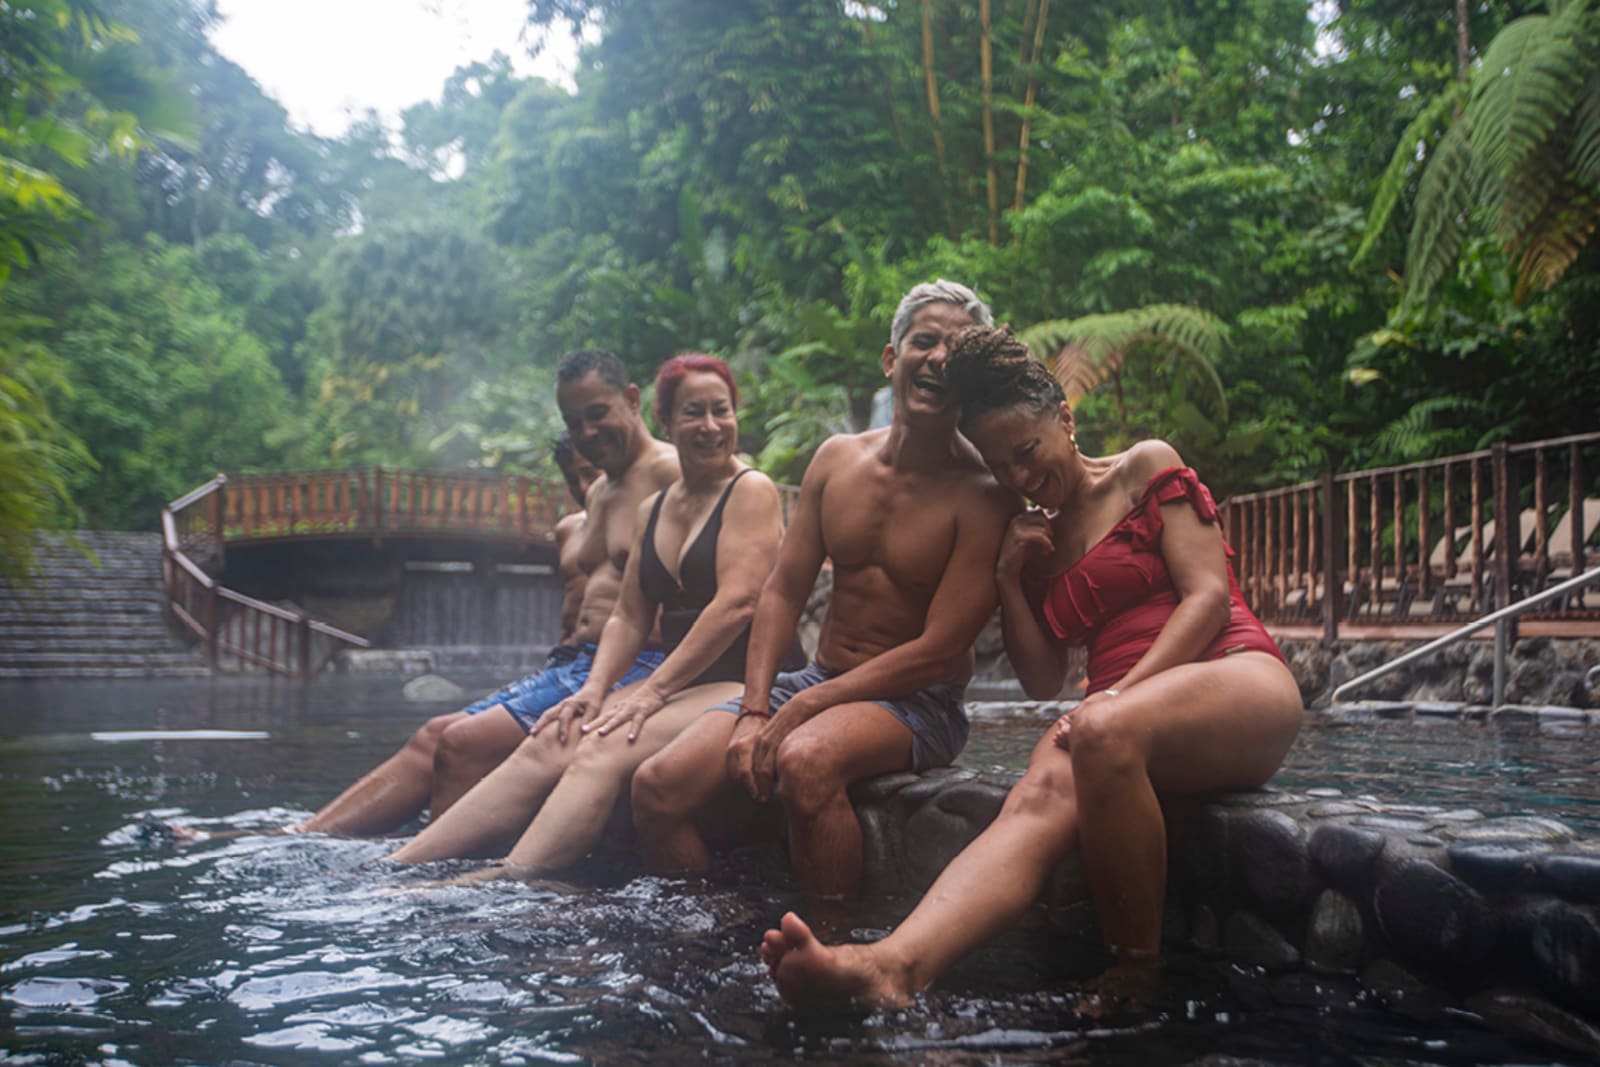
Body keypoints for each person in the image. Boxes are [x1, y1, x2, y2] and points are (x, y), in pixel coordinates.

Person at [760, 324, 1303, 1008]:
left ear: (1065, 419)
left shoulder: (1144, 465)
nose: (1019, 477)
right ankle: (891, 966)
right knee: (1034, 799)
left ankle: (1136, 972)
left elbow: (1207, 598)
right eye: (1000, 465)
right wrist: (1014, 577)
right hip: (1120, 721)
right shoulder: (1032, 536)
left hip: (1233, 672)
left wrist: (1117, 696)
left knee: (1101, 731)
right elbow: (1045, 680)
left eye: (1026, 451)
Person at [631, 281, 1018, 898]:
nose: (939, 358)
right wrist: (758, 707)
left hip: (921, 705)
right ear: (892, 359)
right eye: (924, 342)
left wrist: (804, 710)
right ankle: (703, 934)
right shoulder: (837, 461)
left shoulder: (985, 492)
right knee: (656, 785)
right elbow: (782, 591)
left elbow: (942, 649)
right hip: (817, 679)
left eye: (957, 350)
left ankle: (829, 951)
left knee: (805, 762)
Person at [386, 355, 801, 866]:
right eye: (695, 413)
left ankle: (508, 880)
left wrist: (651, 692)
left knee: (601, 747)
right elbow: (628, 616)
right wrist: (593, 690)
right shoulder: (656, 509)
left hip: (752, 683)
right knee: (552, 737)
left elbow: (737, 604)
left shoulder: (750, 490)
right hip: (692, 685)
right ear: (667, 421)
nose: (711, 427)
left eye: (722, 411)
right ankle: (401, 866)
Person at [291, 350, 679, 836]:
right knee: (434, 735)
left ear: (632, 400)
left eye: (597, 414)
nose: (586, 433)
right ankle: (297, 837)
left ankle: (433, 877)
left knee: (460, 744)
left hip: (638, 666)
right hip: (581, 662)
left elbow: (723, 580)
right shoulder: (601, 492)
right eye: (573, 422)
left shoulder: (673, 472)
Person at [551, 433, 602, 645]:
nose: (582, 488)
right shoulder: (566, 529)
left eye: (590, 475)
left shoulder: (639, 524)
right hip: (568, 650)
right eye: (572, 481)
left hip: (612, 653)